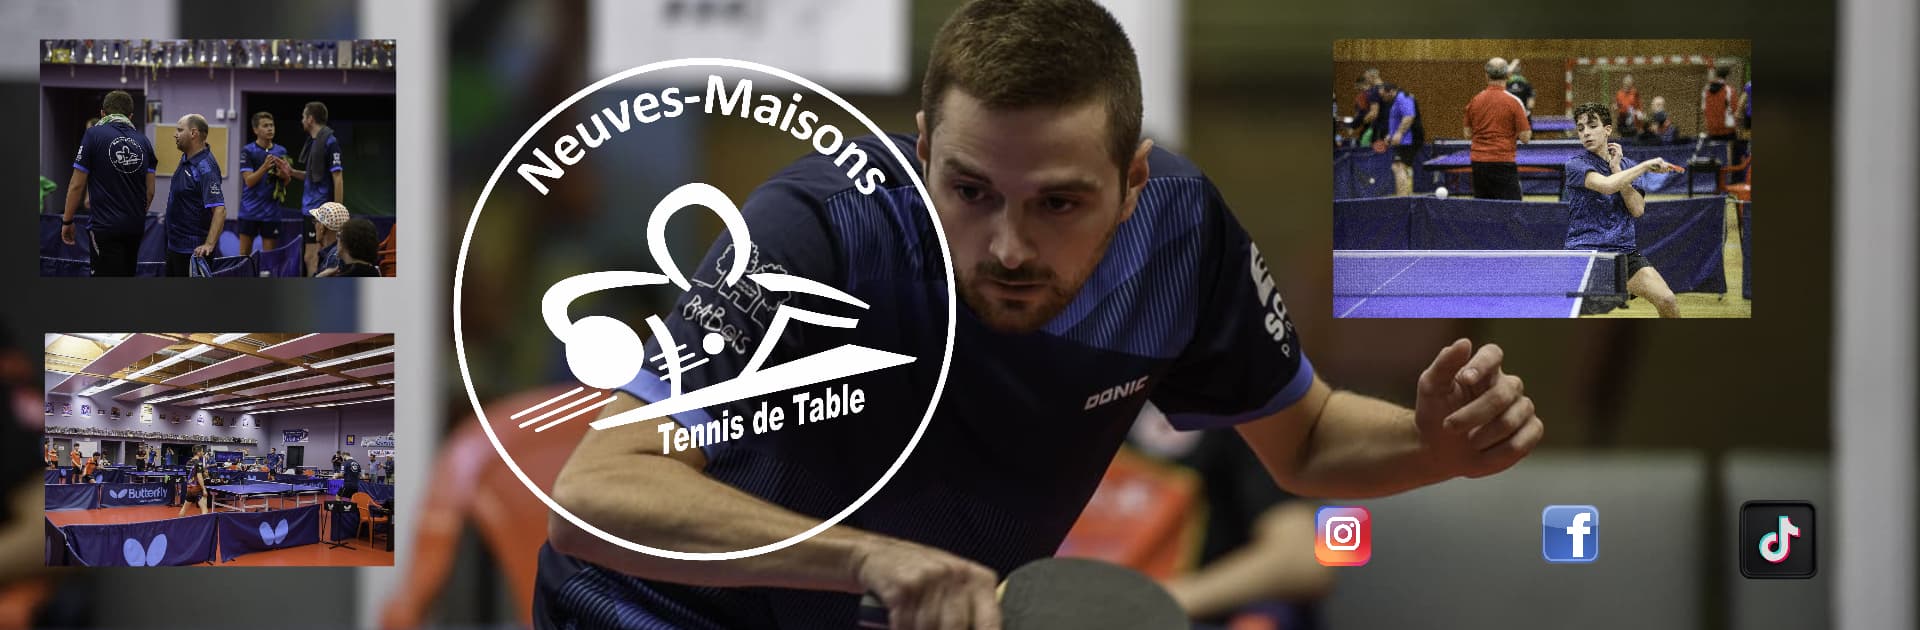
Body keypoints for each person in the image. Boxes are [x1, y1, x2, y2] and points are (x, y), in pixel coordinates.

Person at [535, 2, 1544, 627]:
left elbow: (1308, 439)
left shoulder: (1181, 243)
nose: (1009, 245)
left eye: (1058, 203)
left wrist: (1432, 446)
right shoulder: (821, 232)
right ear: (924, 150)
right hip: (661, 616)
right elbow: (597, 489)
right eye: (970, 190)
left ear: (1133, 182)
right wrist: (865, 558)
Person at [1565, 102, 1682, 318]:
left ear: (1607, 130)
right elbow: (1607, 186)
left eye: (1592, 126)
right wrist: (1645, 166)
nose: (1586, 133)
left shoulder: (1626, 166)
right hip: (1585, 253)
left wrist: (1617, 168)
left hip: (1623, 252)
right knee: (1572, 314)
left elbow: (1637, 209)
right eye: (1581, 129)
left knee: (1667, 300)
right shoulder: (1575, 165)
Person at [60, 90, 157, 277]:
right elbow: (150, 191)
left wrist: (67, 220)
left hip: (104, 227)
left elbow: (76, 185)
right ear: (130, 116)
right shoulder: (144, 141)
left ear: (103, 113)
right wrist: (135, 216)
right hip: (134, 227)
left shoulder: (93, 134)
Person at [162, 114, 227, 277]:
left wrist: (209, 244)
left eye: (179, 130)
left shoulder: (205, 167)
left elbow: (219, 210)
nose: (175, 134)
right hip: (174, 247)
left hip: (192, 253)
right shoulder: (186, 158)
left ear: (193, 133)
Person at [285, 101, 345, 276]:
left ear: (310, 119)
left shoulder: (330, 142)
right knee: (311, 257)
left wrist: (336, 212)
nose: (302, 120)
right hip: (309, 209)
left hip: (322, 210)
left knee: (314, 257)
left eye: (303, 117)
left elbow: (338, 178)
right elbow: (312, 177)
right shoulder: (313, 143)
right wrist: (292, 172)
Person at [1463, 57, 1532, 200]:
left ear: (1486, 75)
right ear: (1508, 76)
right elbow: (1525, 138)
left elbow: (1467, 134)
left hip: (1478, 163)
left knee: (1484, 208)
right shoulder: (1514, 102)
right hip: (1503, 162)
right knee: (1511, 208)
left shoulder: (1475, 100)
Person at [236, 111, 292, 256]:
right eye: (265, 126)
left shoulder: (281, 151)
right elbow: (249, 181)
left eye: (272, 125)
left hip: (271, 213)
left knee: (269, 258)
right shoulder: (248, 151)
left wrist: (284, 176)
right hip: (249, 211)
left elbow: (286, 182)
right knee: (244, 257)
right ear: (255, 130)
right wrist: (265, 167)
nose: (270, 129)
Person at [1378, 82, 1424, 196]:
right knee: (1399, 167)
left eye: (1383, 95)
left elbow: (1409, 116)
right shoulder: (1396, 101)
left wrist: (1399, 133)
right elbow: (1397, 120)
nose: (1382, 98)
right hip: (1404, 139)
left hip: (1410, 139)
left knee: (1398, 167)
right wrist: (1391, 134)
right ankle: (1404, 196)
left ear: (1391, 91)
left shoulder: (1403, 97)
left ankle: (1402, 198)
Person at [308, 202, 351, 276]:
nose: (314, 226)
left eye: (315, 222)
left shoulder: (333, 257)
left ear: (321, 227)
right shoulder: (340, 251)